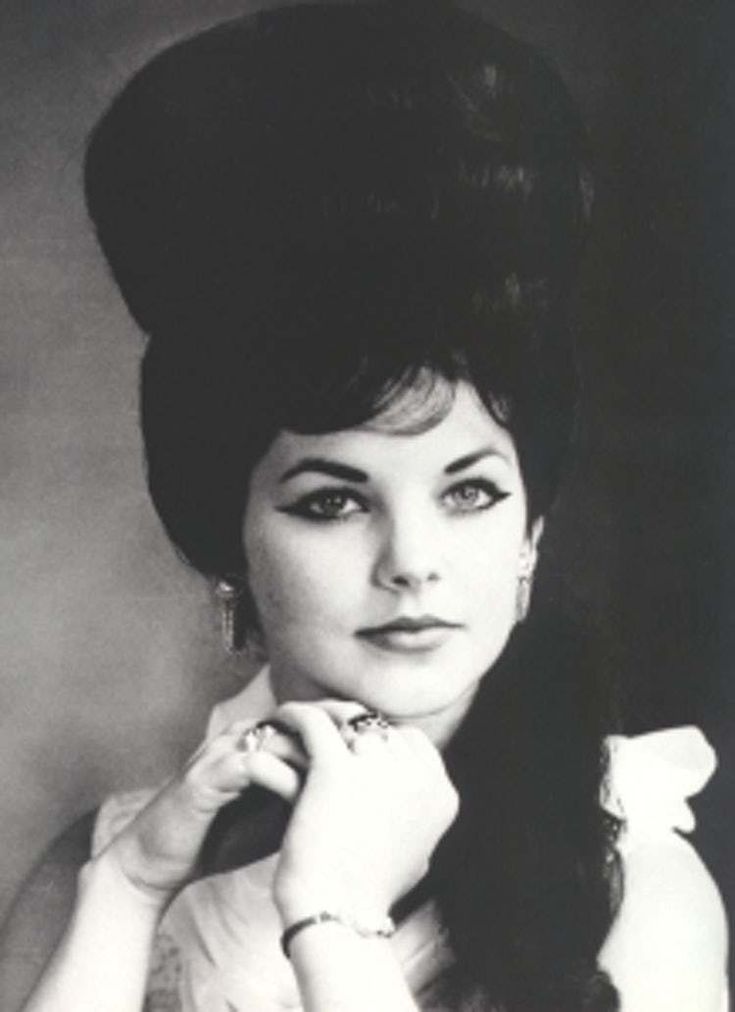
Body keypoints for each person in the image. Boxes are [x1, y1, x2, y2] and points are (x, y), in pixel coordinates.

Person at [0, 2, 728, 1010]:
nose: (413, 559)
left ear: (530, 541)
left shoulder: (634, 886)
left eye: (470, 491)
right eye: (335, 501)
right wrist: (124, 892)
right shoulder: (105, 865)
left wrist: (334, 912)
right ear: (228, 544)